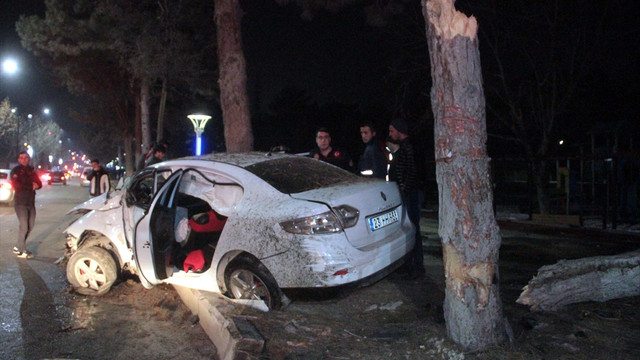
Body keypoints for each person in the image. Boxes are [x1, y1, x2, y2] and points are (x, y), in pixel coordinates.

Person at [388, 118, 426, 279]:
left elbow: (411, 171)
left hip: (411, 194)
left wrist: (404, 189)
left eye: (392, 131)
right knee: (409, 228)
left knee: (412, 228)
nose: (390, 134)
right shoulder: (404, 147)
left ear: (399, 130)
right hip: (409, 192)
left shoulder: (408, 147)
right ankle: (410, 264)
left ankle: (416, 266)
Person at [10, 151, 42, 259]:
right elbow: (16, 185)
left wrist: (36, 185)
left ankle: (18, 246)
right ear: (18, 160)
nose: (24, 159)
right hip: (20, 203)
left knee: (31, 225)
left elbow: (39, 183)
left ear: (29, 159)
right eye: (21, 158)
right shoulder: (16, 171)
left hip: (30, 202)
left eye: (26, 157)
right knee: (24, 226)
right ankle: (21, 250)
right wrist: (31, 185)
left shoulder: (32, 170)